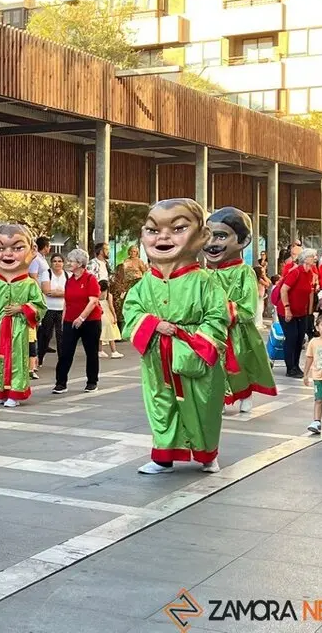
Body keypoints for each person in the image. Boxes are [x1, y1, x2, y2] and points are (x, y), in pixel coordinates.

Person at [123, 198, 230, 475]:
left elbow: (218, 317)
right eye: (153, 230)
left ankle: (207, 454)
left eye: (178, 228)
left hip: (195, 355)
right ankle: (163, 456)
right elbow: (131, 312)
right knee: (160, 404)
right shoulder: (144, 285)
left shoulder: (206, 282)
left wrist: (194, 344)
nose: (163, 237)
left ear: (202, 236)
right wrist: (154, 324)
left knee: (203, 405)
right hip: (157, 357)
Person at [204, 208, 277, 413]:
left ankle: (245, 394)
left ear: (243, 240)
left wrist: (223, 312)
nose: (212, 243)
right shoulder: (204, 273)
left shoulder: (244, 272)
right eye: (208, 236)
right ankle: (219, 397)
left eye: (221, 236)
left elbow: (248, 306)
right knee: (212, 365)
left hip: (237, 331)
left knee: (241, 362)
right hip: (210, 330)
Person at [0, 224, 46, 407]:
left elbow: (40, 306)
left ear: (32, 251)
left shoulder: (29, 284)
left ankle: (15, 392)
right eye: (0, 248)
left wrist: (22, 308)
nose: (8, 254)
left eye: (17, 248)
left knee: (17, 359)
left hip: (19, 329)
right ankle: (1, 390)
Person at [53, 249, 102, 395]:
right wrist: (64, 321)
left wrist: (81, 318)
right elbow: (66, 302)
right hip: (70, 321)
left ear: (80, 264)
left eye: (71, 261)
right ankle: (60, 383)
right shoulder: (69, 281)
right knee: (65, 352)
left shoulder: (90, 279)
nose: (68, 263)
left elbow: (93, 301)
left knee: (91, 352)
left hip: (90, 321)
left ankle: (92, 382)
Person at [277, 248, 318, 379]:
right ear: (305, 259)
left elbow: (310, 292)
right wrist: (287, 308)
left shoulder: (310, 273)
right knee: (292, 337)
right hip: (287, 310)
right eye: (313, 256)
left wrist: (309, 312)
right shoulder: (296, 272)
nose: (315, 258)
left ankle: (295, 365)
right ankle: (290, 368)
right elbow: (284, 290)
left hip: (301, 312)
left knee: (300, 338)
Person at [27, 236, 51, 377]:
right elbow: (33, 276)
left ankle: (34, 360)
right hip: (38, 295)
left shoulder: (41, 259)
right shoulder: (35, 260)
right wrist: (38, 293)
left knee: (37, 330)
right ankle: (32, 361)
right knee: (35, 329)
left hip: (43, 295)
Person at [37, 253, 66, 369]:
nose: (57, 263)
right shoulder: (47, 273)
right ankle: (39, 358)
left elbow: (70, 292)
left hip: (62, 309)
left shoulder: (67, 275)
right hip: (49, 309)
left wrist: (56, 292)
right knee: (46, 335)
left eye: (60, 261)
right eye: (55, 261)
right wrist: (62, 293)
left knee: (61, 336)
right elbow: (46, 291)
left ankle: (62, 361)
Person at [97, 280, 122, 359]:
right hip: (107, 315)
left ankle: (100, 351)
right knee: (111, 334)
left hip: (99, 315)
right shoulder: (108, 295)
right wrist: (115, 316)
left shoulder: (97, 294)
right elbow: (111, 306)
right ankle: (114, 352)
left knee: (100, 333)